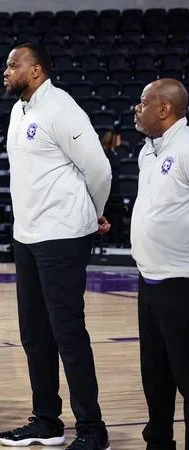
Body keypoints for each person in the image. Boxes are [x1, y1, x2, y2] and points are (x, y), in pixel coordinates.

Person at [0, 43, 111, 449]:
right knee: (34, 334)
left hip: (63, 236)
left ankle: (92, 429)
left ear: (37, 71)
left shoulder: (62, 108)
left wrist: (90, 213)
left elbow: (98, 168)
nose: (5, 70)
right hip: (27, 237)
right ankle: (46, 420)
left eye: (14, 64)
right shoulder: (18, 111)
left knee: (68, 333)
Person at [131, 78, 189, 450]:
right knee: (155, 374)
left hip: (180, 280)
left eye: (143, 102)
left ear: (164, 109)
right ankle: (159, 441)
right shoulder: (147, 151)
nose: (137, 108)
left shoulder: (185, 147)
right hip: (148, 276)